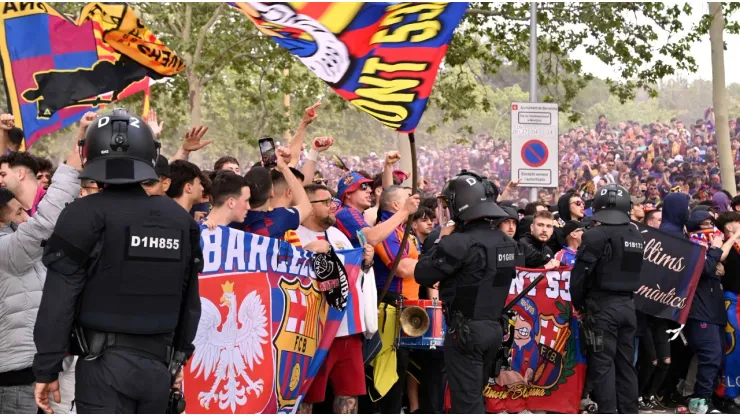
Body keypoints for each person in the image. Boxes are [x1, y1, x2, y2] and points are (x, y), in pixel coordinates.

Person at [32, 109, 202, 414]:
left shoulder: (83, 213)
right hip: (158, 369)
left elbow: (59, 299)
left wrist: (47, 368)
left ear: (90, 153)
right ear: (150, 155)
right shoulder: (180, 220)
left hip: (102, 370)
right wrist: (177, 360)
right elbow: (190, 301)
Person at [415, 170, 514, 413]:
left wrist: (441, 240)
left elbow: (424, 274)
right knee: (475, 396)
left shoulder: (458, 242)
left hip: (467, 332)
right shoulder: (506, 241)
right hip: (493, 329)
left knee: (466, 404)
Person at [0, 146, 81, 414]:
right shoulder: (7, 251)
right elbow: (45, 224)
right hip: (15, 381)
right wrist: (69, 170)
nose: (26, 217)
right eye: (17, 214)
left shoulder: (15, 246)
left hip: (32, 371)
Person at [295, 184, 376, 414]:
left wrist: (366, 261)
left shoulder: (338, 234)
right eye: (326, 202)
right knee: (306, 395)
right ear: (309, 207)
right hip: (315, 332)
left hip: (348, 330)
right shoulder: (294, 235)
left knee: (349, 393)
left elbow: (353, 274)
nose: (333, 206)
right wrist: (308, 251)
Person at [570, 183, 644, 414]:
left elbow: (579, 276)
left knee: (602, 367)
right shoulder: (635, 234)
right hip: (628, 307)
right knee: (626, 365)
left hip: (602, 309)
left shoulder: (594, 235)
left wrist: (579, 304)